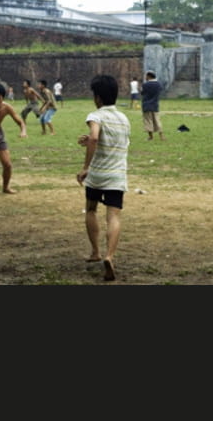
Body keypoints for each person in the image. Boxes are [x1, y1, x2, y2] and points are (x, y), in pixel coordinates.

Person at [77, 74, 130, 282]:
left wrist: (85, 167)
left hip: (98, 174)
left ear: (97, 97)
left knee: (91, 209)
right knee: (114, 216)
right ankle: (110, 256)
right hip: (117, 175)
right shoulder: (124, 119)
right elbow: (110, 141)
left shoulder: (95, 115)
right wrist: (89, 140)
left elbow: (97, 136)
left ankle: (95, 252)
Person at [141, 71, 165, 140]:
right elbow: (160, 90)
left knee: (148, 121)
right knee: (157, 120)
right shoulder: (158, 84)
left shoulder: (145, 85)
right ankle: (161, 136)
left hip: (146, 105)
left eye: (146, 76)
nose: (145, 77)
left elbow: (142, 93)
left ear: (149, 76)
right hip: (155, 105)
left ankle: (150, 137)